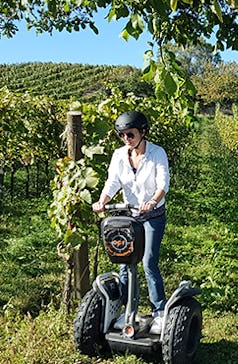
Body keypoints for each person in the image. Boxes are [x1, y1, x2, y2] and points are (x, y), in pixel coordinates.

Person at [92, 110, 170, 334]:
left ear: (143, 132)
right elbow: (112, 182)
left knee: (148, 263)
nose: (127, 139)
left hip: (152, 216)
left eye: (131, 134)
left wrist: (153, 201)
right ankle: (127, 312)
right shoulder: (118, 155)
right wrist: (102, 201)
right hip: (128, 216)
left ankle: (159, 312)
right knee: (125, 263)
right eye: (122, 135)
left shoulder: (157, 153)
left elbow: (163, 184)